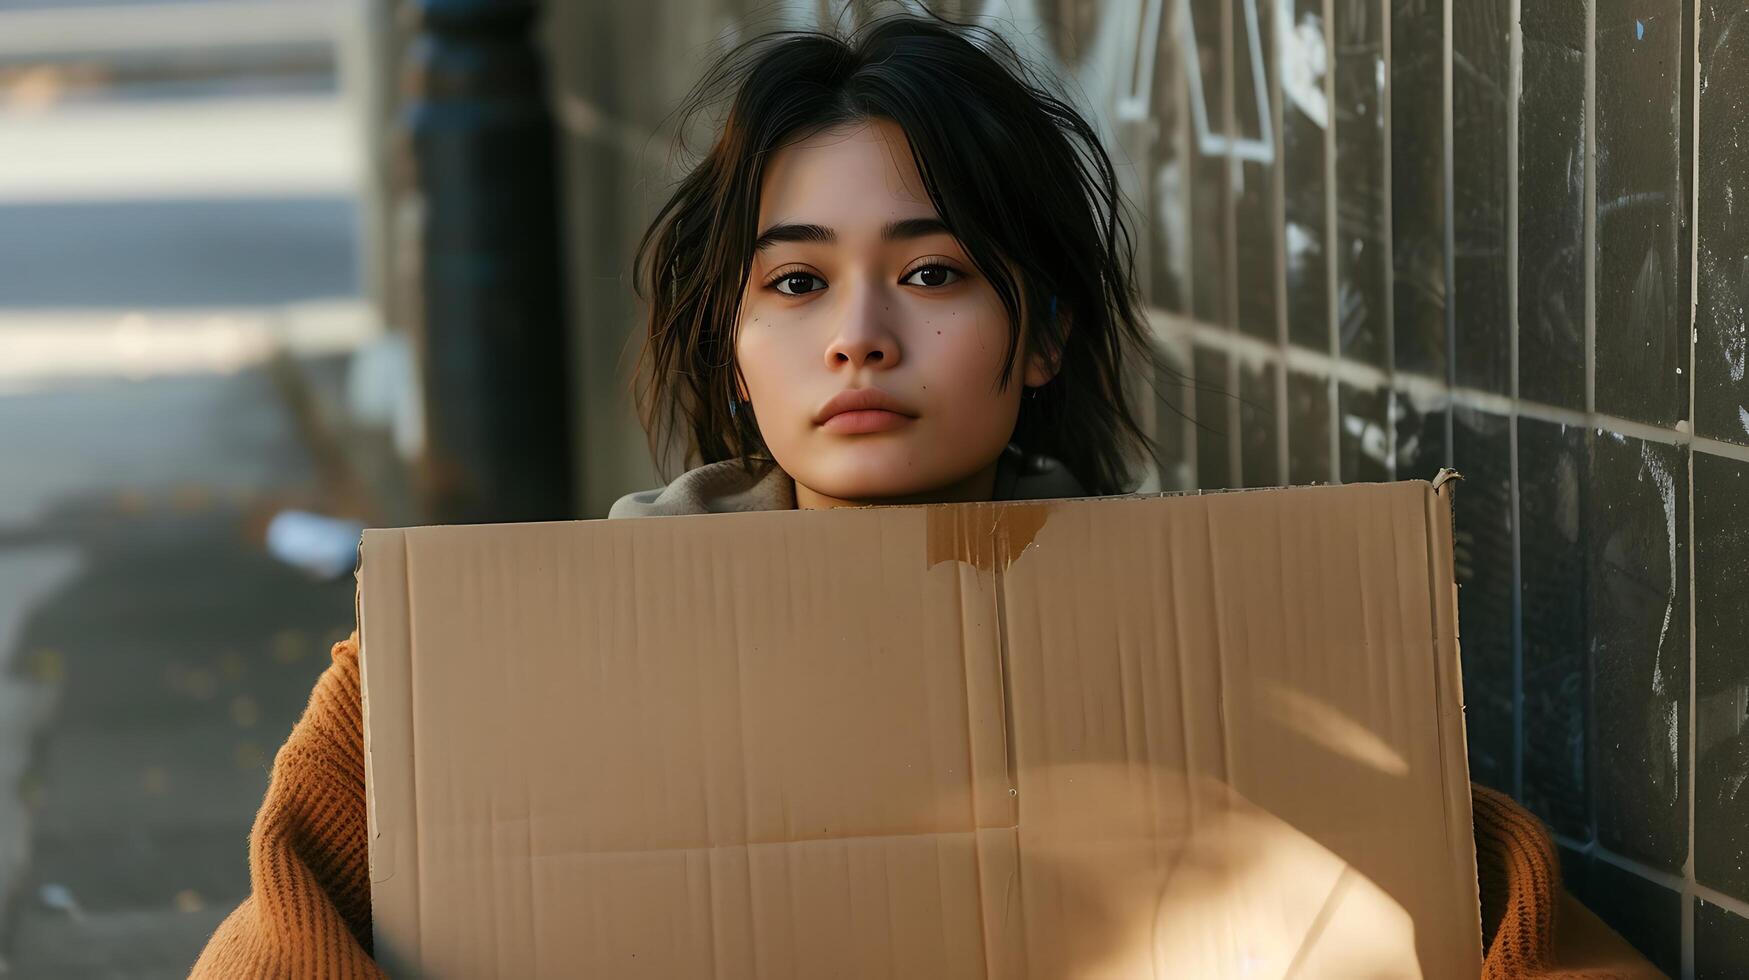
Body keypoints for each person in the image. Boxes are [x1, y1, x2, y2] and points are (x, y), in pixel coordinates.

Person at [193, 13, 1656, 978]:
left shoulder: (1237, 663)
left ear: (1044, 336)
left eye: (935, 270)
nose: (859, 333)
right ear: (733, 343)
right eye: (795, 279)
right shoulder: (469, 691)